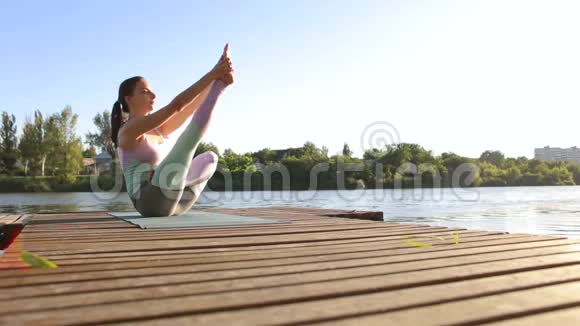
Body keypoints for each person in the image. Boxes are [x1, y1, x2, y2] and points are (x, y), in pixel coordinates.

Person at [110, 44, 234, 217]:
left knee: (210, 158)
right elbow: (176, 105)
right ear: (129, 99)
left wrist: (217, 78)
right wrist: (214, 75)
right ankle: (219, 88)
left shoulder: (158, 131)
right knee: (188, 141)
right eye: (145, 92)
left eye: (153, 92)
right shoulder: (127, 131)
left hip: (175, 204)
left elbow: (189, 108)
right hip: (149, 202)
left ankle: (219, 85)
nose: (153, 96)